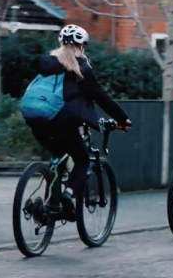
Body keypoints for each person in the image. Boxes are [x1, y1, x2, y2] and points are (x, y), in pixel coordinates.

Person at [26, 24, 131, 221]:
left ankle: (52, 206)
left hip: (36, 119)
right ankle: (69, 194)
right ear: (82, 46)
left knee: (58, 158)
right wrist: (122, 119)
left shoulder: (48, 66)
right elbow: (101, 96)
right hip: (62, 122)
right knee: (82, 159)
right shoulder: (81, 68)